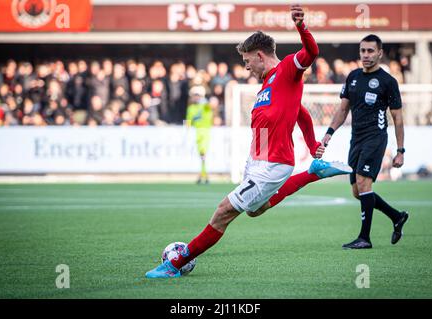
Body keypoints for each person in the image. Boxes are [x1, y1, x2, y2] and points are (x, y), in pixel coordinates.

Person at [145, 4, 352, 278]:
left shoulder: (288, 69)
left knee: (223, 212)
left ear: (259, 55)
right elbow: (300, 112)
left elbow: (312, 52)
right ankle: (312, 173)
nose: (246, 68)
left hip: (273, 163)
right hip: (257, 160)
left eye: (247, 62)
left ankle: (175, 264)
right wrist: (312, 145)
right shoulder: (266, 85)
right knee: (256, 210)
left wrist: (301, 26)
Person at [321, 34, 409, 250]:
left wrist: (400, 150)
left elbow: (397, 118)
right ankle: (396, 216)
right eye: (363, 51)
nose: (366, 55)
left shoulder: (388, 82)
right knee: (357, 191)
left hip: (376, 137)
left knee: (363, 182)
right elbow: (342, 110)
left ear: (380, 53)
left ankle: (364, 238)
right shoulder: (352, 77)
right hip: (356, 139)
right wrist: (329, 133)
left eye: (371, 51)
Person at [186, 86, 213, 184]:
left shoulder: (205, 105)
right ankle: (203, 175)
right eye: (195, 96)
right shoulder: (191, 108)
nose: (196, 98)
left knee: (203, 154)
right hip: (196, 132)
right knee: (201, 155)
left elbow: (211, 108)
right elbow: (188, 121)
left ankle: (203, 175)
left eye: (198, 96)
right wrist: (187, 129)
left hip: (205, 131)